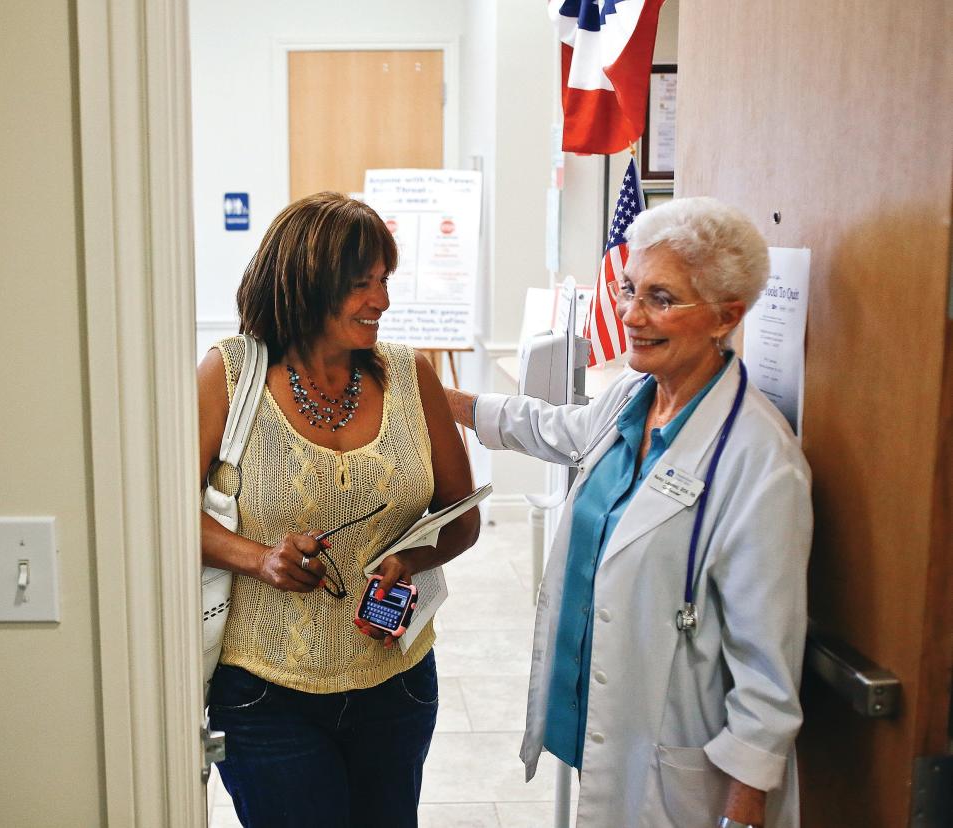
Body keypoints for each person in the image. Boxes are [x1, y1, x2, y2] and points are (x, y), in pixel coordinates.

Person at [445, 197, 811, 828]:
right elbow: (561, 429)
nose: (632, 315)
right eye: (628, 290)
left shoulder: (761, 461)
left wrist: (743, 815)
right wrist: (451, 401)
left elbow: (767, 679)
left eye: (661, 298)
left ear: (727, 316)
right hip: (609, 720)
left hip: (682, 766)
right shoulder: (634, 394)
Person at [198, 191, 480, 828]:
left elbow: (463, 515)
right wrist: (260, 558)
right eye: (360, 284)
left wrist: (409, 558)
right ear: (304, 284)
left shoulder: (413, 377)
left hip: (397, 681)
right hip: (266, 695)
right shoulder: (230, 375)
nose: (380, 299)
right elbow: (164, 519)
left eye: (384, 281)